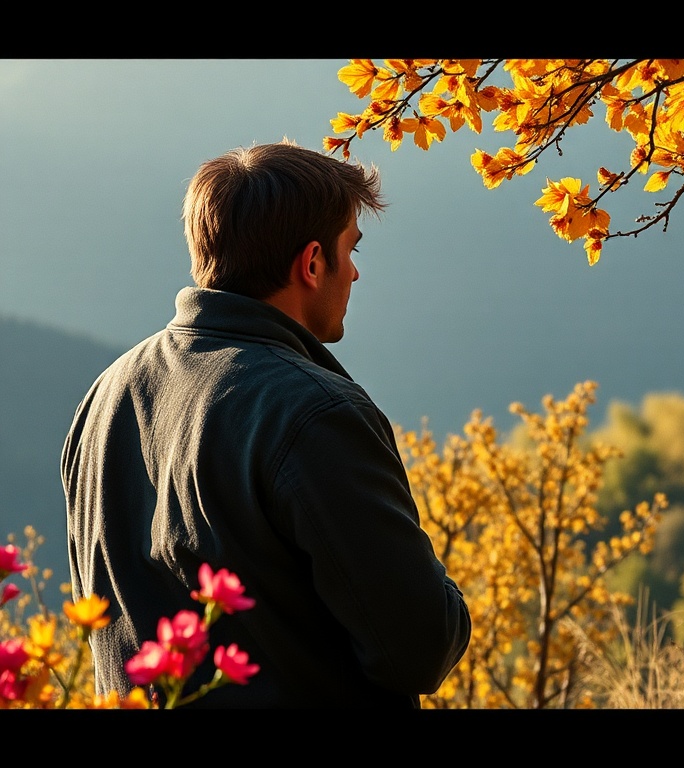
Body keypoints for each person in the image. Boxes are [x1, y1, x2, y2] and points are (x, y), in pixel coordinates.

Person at [61, 140, 471, 708]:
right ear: (311, 263)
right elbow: (418, 646)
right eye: (350, 249)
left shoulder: (104, 399)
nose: (354, 272)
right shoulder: (314, 415)